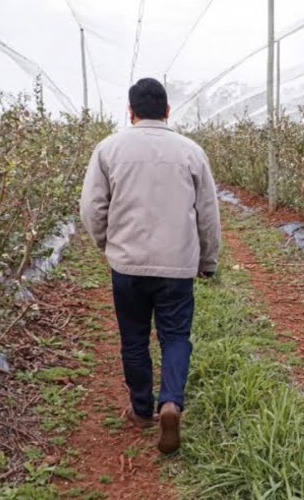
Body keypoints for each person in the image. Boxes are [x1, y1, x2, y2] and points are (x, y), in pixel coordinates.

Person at [80, 78, 221, 454]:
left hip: (128, 265)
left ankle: (142, 409)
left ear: (131, 111)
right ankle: (171, 402)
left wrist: (107, 245)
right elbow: (207, 212)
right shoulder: (191, 152)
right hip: (176, 266)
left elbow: (92, 208)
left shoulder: (109, 149)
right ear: (168, 111)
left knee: (134, 338)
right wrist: (208, 259)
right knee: (175, 337)